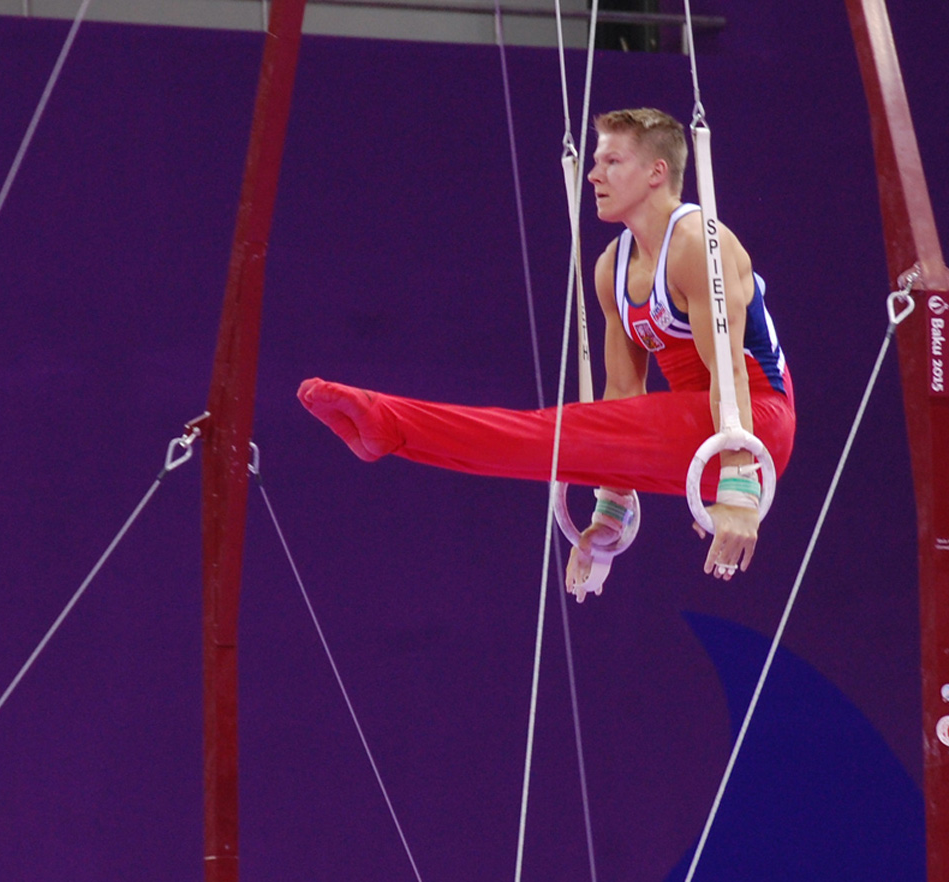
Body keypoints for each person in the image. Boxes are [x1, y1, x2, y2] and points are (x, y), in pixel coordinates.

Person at [298, 108, 794, 595]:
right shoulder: (611, 267)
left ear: (655, 173)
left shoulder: (697, 243)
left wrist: (740, 489)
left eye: (612, 162)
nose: (594, 175)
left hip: (754, 423)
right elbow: (622, 397)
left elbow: (729, 373)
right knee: (566, 434)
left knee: (545, 433)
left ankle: (390, 424)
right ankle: (391, 434)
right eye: (596, 162)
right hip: (699, 430)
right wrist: (609, 518)